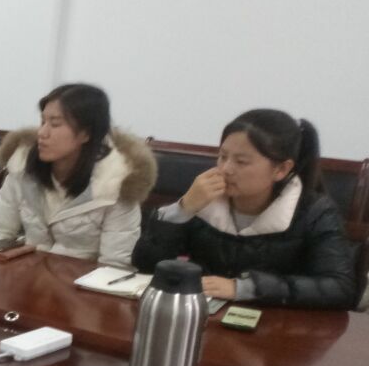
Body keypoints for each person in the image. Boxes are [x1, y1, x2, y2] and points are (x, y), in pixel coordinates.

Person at [133, 110, 356, 309]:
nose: (225, 169)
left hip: (278, 327)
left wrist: (246, 288)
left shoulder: (315, 212)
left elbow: (340, 287)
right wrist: (183, 209)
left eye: (241, 162)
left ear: (281, 169)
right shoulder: (204, 197)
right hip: (204, 315)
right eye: (222, 156)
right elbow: (145, 265)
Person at [0, 84, 156, 267]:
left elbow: (114, 265)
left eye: (55, 124)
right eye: (42, 122)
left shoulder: (118, 182)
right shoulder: (22, 166)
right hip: (26, 276)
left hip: (82, 282)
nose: (42, 133)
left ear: (86, 133)